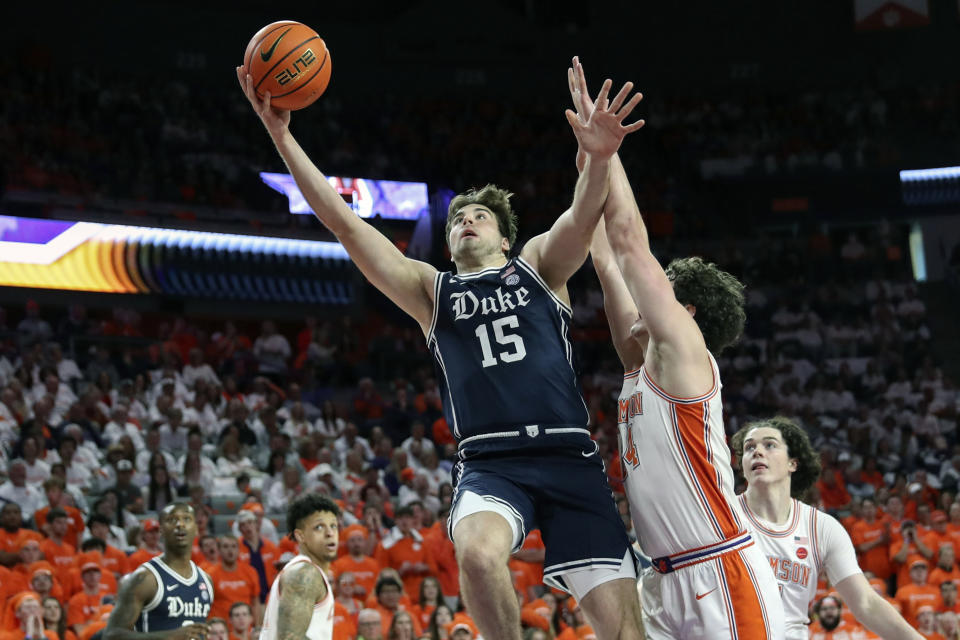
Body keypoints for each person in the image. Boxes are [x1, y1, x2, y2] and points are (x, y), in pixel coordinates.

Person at [238, 54, 646, 640]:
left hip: (569, 457)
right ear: (449, 241)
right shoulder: (432, 290)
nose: (467, 222)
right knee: (478, 556)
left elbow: (584, 214)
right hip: (489, 461)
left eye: (480, 216)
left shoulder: (537, 265)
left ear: (504, 236)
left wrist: (601, 157)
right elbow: (346, 226)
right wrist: (281, 136)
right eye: (458, 219)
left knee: (624, 633)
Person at [575, 56, 782, 637]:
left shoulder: (685, 352)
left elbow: (629, 242)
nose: (647, 299)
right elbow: (602, 254)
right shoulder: (638, 363)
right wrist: (591, 160)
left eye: (662, 292)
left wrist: (610, 151)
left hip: (720, 570)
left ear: (685, 310)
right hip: (661, 581)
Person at [733, 416, 922, 639]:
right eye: (749, 447)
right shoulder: (723, 515)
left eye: (769, 445)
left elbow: (866, 604)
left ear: (793, 463)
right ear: (742, 466)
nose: (757, 451)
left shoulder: (821, 527)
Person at [103, 503, 212, 640]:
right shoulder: (144, 578)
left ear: (196, 528)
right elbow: (111, 635)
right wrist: (169, 636)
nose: (180, 524)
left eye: (187, 519)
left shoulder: (206, 581)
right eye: (172, 520)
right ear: (161, 530)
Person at [258, 494, 340, 640]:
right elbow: (290, 637)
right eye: (319, 527)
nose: (330, 533)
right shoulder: (305, 574)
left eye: (333, 525)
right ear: (300, 536)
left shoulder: (307, 571)